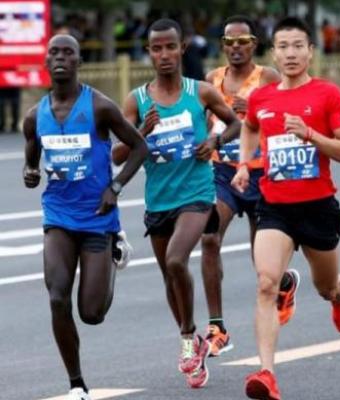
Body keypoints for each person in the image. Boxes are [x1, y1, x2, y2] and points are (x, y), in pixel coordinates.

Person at [231, 17, 340, 400]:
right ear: (274, 53)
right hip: (275, 207)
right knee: (266, 283)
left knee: (325, 286)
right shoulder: (262, 98)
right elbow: (250, 126)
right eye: (283, 46)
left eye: (298, 45)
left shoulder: (328, 94)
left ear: (310, 51)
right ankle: (267, 374)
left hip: (318, 208)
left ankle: (338, 294)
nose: (291, 53)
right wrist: (243, 163)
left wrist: (311, 134)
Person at [112, 18, 241, 389]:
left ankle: (190, 338)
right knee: (170, 276)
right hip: (159, 200)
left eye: (171, 46)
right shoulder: (137, 100)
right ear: (149, 52)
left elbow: (235, 124)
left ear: (182, 48)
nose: (164, 54)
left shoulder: (200, 92)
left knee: (175, 259)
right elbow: (118, 155)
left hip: (197, 195)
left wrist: (214, 143)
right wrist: (141, 132)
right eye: (157, 48)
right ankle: (190, 340)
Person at [22, 34, 147, 400]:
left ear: (78, 62)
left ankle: (113, 250)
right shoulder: (35, 117)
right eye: (54, 53)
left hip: (97, 216)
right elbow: (32, 159)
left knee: (92, 314)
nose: (61, 58)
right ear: (47, 62)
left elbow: (139, 147)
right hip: (58, 215)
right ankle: (77, 384)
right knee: (56, 297)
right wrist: (31, 172)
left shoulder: (100, 107)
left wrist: (116, 187)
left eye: (69, 53)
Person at [199, 15, 286, 358]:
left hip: (260, 173)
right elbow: (203, 121)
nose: (236, 47)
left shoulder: (268, 77)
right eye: (229, 42)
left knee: (261, 260)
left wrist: (255, 110)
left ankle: (284, 283)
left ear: (254, 44)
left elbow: (285, 118)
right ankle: (217, 328)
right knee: (209, 238)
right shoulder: (212, 80)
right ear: (222, 45)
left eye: (243, 42)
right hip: (223, 172)